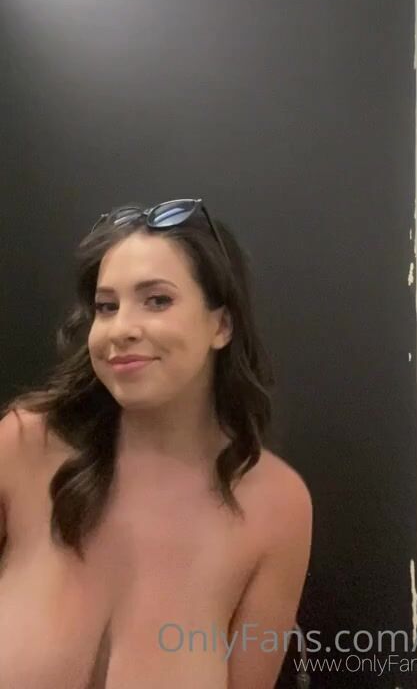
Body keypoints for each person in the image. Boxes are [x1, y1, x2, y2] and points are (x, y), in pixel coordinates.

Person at [0, 198, 313, 689]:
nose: (121, 329)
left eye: (157, 300)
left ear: (221, 325)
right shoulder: (23, 447)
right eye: (107, 306)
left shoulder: (276, 506)